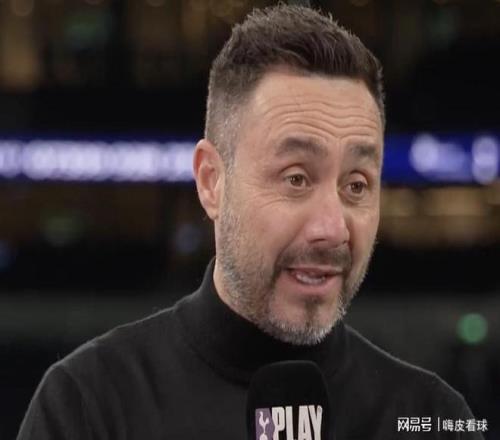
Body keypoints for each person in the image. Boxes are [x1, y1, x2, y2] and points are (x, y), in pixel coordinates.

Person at [17, 5, 484, 439]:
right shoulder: (88, 405)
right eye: (296, 178)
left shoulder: (434, 417)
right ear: (211, 182)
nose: (332, 228)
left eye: (357, 185)